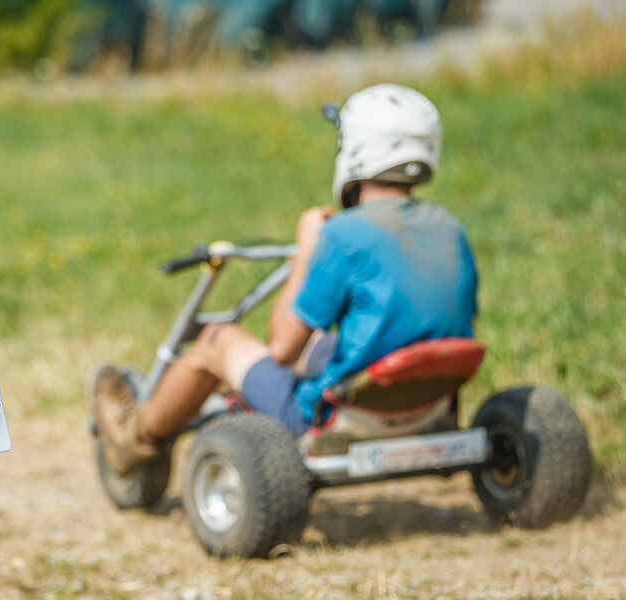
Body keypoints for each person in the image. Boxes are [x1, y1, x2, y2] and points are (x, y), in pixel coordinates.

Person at [90, 83, 479, 476]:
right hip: (426, 405)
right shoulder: (450, 228)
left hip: (334, 420)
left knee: (216, 340)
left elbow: (282, 348)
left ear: (357, 148)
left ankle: (133, 438)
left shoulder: (344, 235)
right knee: (319, 343)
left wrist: (308, 251)